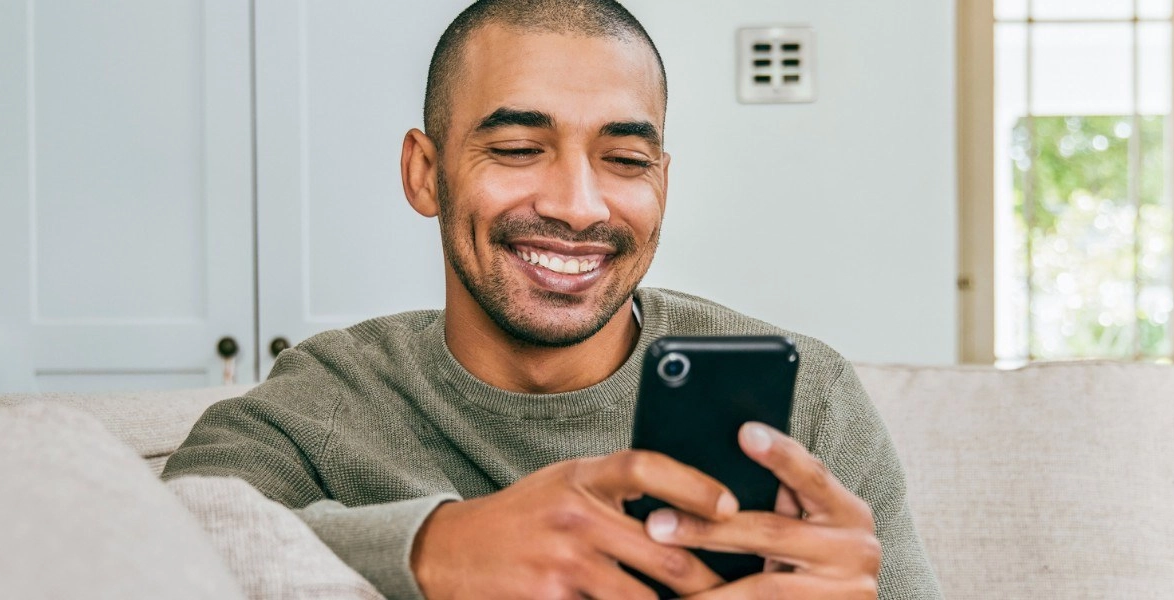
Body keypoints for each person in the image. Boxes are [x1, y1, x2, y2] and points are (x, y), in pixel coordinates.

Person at [162, 1, 940, 598]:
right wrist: (436, 548)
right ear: (425, 173)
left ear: (660, 183)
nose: (579, 205)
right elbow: (155, 541)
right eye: (516, 150)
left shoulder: (809, 402)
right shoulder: (330, 401)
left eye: (626, 158)